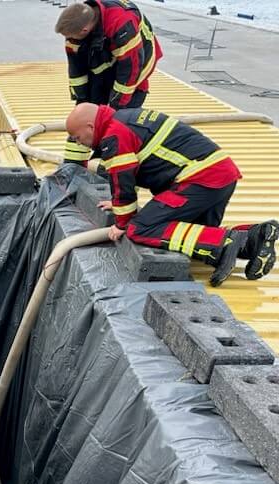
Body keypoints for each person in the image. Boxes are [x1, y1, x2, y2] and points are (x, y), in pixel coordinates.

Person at [65, 102, 278, 285]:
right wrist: (118, 203)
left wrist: (121, 222)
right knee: (199, 236)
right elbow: (130, 173)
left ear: (91, 127)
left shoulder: (114, 135)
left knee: (141, 228)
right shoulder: (126, 119)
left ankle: (228, 242)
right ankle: (254, 239)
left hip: (199, 180)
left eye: (77, 137)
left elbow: (123, 181)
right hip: (219, 176)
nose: (77, 142)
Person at [56, 0, 162, 164]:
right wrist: (81, 102)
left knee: (117, 123)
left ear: (85, 30)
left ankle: (107, 170)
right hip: (105, 61)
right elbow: (76, 69)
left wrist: (115, 108)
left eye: (70, 37)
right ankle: (73, 166)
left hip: (136, 65)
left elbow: (130, 69)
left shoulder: (121, 23)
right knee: (84, 118)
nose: (68, 40)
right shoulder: (77, 25)